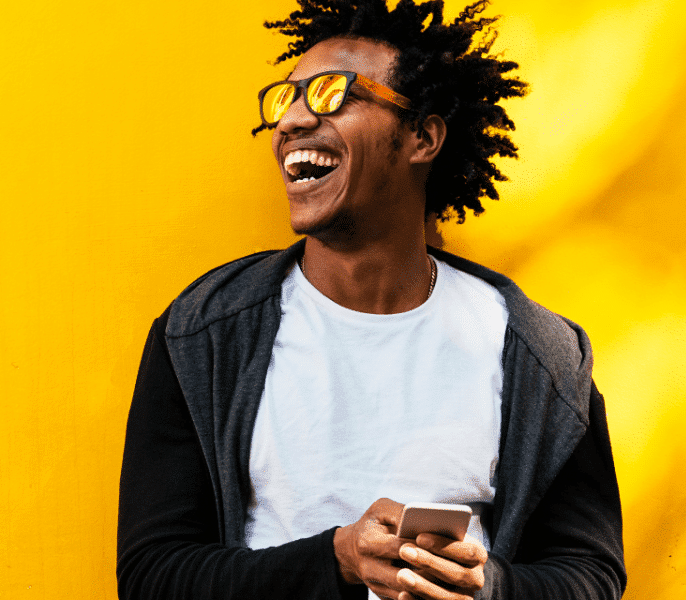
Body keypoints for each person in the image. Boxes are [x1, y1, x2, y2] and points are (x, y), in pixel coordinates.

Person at [116, 1, 626, 599]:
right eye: (286, 99)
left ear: (423, 137)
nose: (291, 123)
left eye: (332, 94)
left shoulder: (541, 358)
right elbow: (152, 576)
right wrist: (336, 560)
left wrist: (488, 587)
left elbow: (592, 576)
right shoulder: (203, 336)